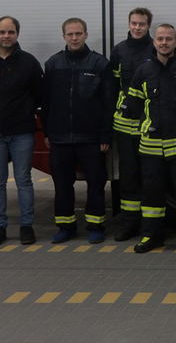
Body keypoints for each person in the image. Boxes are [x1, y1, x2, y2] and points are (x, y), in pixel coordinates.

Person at [126, 24, 176, 253]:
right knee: (151, 194)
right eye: (160, 38)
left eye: (169, 39)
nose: (164, 42)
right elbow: (134, 103)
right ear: (154, 42)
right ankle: (151, 237)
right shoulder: (143, 72)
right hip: (151, 147)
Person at [41, 18, 113, 244]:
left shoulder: (99, 64)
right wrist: (47, 133)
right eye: (70, 34)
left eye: (78, 33)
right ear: (64, 36)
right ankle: (66, 226)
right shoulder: (53, 64)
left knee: (96, 184)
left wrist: (105, 135)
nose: (74, 38)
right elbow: (47, 102)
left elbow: (108, 103)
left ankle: (95, 226)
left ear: (86, 35)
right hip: (60, 139)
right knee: (62, 186)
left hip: (91, 139)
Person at [0, 16, 43, 246]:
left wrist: (26, 111)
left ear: (17, 34)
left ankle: (26, 227)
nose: (6, 36)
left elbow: (40, 94)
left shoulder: (28, 62)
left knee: (23, 180)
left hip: (21, 133)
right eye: (2, 32)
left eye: (10, 32)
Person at [109, 7, 155, 241]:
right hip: (125, 127)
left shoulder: (156, 47)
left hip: (150, 128)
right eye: (134, 23)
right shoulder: (119, 51)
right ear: (129, 24)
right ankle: (128, 224)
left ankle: (151, 224)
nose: (137, 27)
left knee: (150, 177)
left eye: (142, 24)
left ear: (149, 26)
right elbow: (112, 88)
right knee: (128, 178)